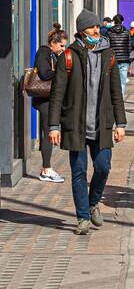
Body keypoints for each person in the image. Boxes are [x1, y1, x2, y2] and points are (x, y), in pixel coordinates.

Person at [47, 10, 127, 235]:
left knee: (103, 167)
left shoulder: (108, 55)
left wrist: (121, 123)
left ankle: (93, 203)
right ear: (82, 31)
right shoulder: (68, 56)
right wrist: (54, 126)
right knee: (79, 172)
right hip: (76, 125)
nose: (96, 30)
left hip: (102, 124)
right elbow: (57, 94)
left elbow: (116, 92)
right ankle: (83, 217)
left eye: (98, 27)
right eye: (92, 27)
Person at [32, 28, 68, 181]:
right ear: (53, 42)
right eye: (61, 45)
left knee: (48, 131)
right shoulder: (44, 52)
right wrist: (62, 71)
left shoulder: (52, 54)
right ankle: (46, 169)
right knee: (48, 132)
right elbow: (45, 73)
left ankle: (46, 168)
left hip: (48, 99)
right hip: (44, 99)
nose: (63, 49)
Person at [106, 15, 134, 102]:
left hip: (112, 60)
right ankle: (119, 100)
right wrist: (130, 59)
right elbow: (129, 46)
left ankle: (113, 99)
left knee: (112, 82)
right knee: (122, 82)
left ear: (114, 22)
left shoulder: (109, 32)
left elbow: (107, 47)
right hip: (124, 60)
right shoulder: (126, 32)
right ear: (122, 22)